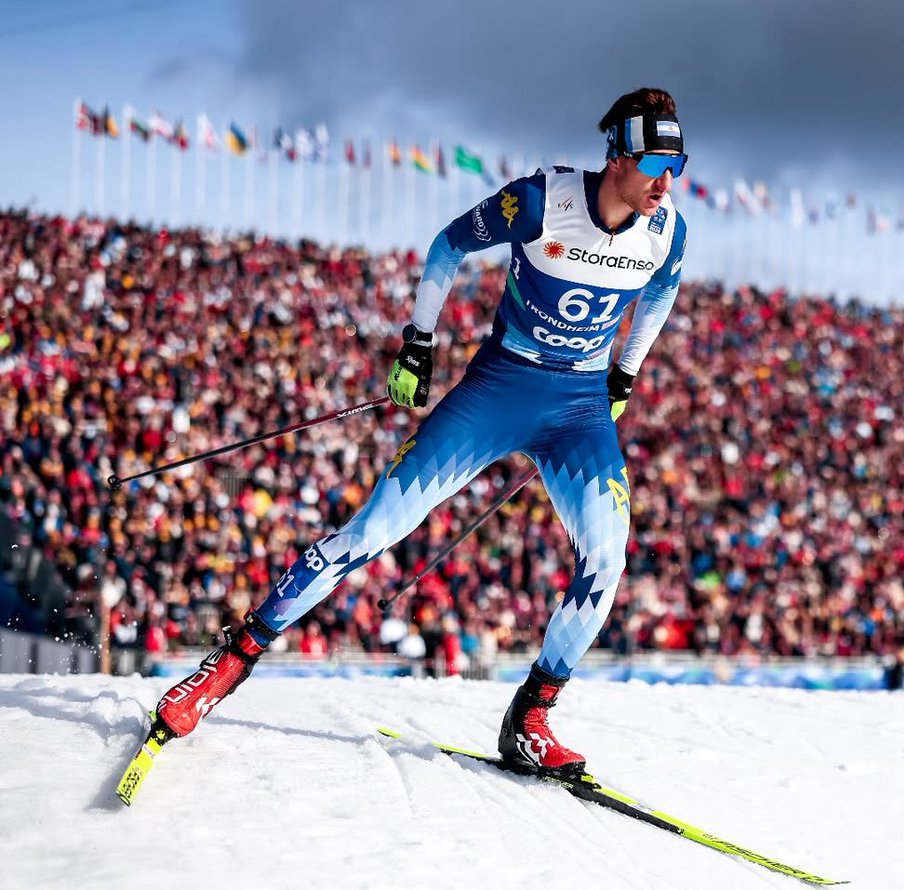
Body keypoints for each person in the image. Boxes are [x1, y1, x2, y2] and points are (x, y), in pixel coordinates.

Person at [154, 86, 688, 777]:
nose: (665, 182)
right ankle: (230, 661)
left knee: (607, 561)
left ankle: (530, 717)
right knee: (374, 531)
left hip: (580, 408)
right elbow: (447, 246)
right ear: (616, 155)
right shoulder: (542, 200)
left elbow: (664, 290)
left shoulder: (667, 226)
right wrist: (418, 341)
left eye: (676, 166)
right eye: (653, 163)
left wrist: (626, 375)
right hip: (500, 388)